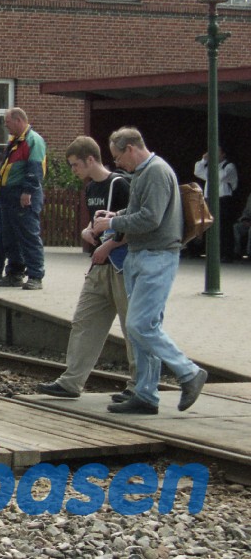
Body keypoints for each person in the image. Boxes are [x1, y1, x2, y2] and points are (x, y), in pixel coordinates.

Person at [93, 127, 208, 415]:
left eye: (119, 157)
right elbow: (137, 209)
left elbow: (151, 218)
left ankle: (189, 372)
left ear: (131, 148)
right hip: (142, 256)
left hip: (157, 256)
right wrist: (115, 216)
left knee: (140, 325)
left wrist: (113, 225)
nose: (117, 164)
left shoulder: (156, 172)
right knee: (143, 326)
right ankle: (145, 394)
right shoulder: (144, 173)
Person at [36, 136, 137, 400]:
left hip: (119, 265)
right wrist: (87, 232)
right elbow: (97, 223)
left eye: (75, 165)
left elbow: (134, 225)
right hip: (98, 265)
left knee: (132, 327)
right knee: (84, 321)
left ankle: (139, 385)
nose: (73, 171)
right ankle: (71, 382)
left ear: (90, 159)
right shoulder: (91, 189)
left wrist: (109, 246)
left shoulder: (121, 185)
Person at [0, 107, 46, 290]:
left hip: (22, 194)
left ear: (18, 120)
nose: (5, 126)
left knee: (28, 235)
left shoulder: (33, 141)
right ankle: (15, 273)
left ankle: (35, 275)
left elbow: (35, 170)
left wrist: (28, 192)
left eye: (7, 122)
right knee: (10, 236)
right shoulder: (17, 141)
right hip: (9, 194)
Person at [194, 147, 238, 258]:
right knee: (210, 226)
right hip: (209, 199)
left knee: (224, 227)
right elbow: (197, 171)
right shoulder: (211, 167)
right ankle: (212, 253)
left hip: (223, 199)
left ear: (223, 154)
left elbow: (220, 176)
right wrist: (204, 160)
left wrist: (211, 164)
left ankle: (226, 253)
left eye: (217, 153)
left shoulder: (228, 166)